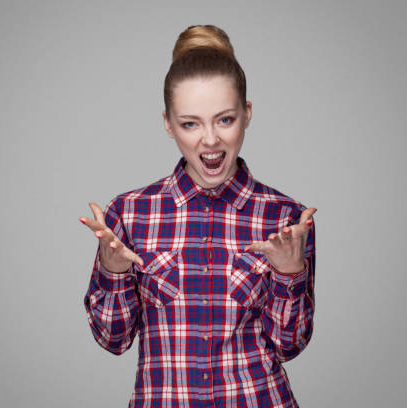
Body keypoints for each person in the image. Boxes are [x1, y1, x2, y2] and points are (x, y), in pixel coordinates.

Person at [80, 24, 317, 408]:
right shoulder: (130, 213)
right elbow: (113, 340)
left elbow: (289, 346)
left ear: (247, 114)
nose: (210, 139)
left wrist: (291, 274)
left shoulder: (285, 219)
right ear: (168, 124)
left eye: (225, 119)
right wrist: (114, 270)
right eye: (190, 123)